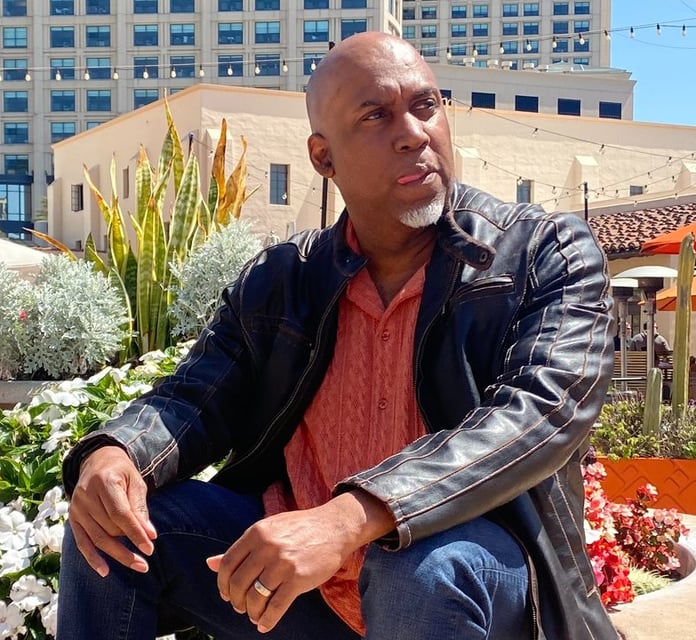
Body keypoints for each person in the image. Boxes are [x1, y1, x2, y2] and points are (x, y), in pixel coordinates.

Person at [59, 32, 618, 640]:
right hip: (303, 596)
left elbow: (542, 410)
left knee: (419, 568)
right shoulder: (282, 280)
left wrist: (355, 515)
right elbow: (191, 400)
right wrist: (114, 454)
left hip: (479, 577)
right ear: (323, 157)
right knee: (112, 526)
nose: (413, 132)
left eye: (426, 106)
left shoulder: (541, 251)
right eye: (375, 115)